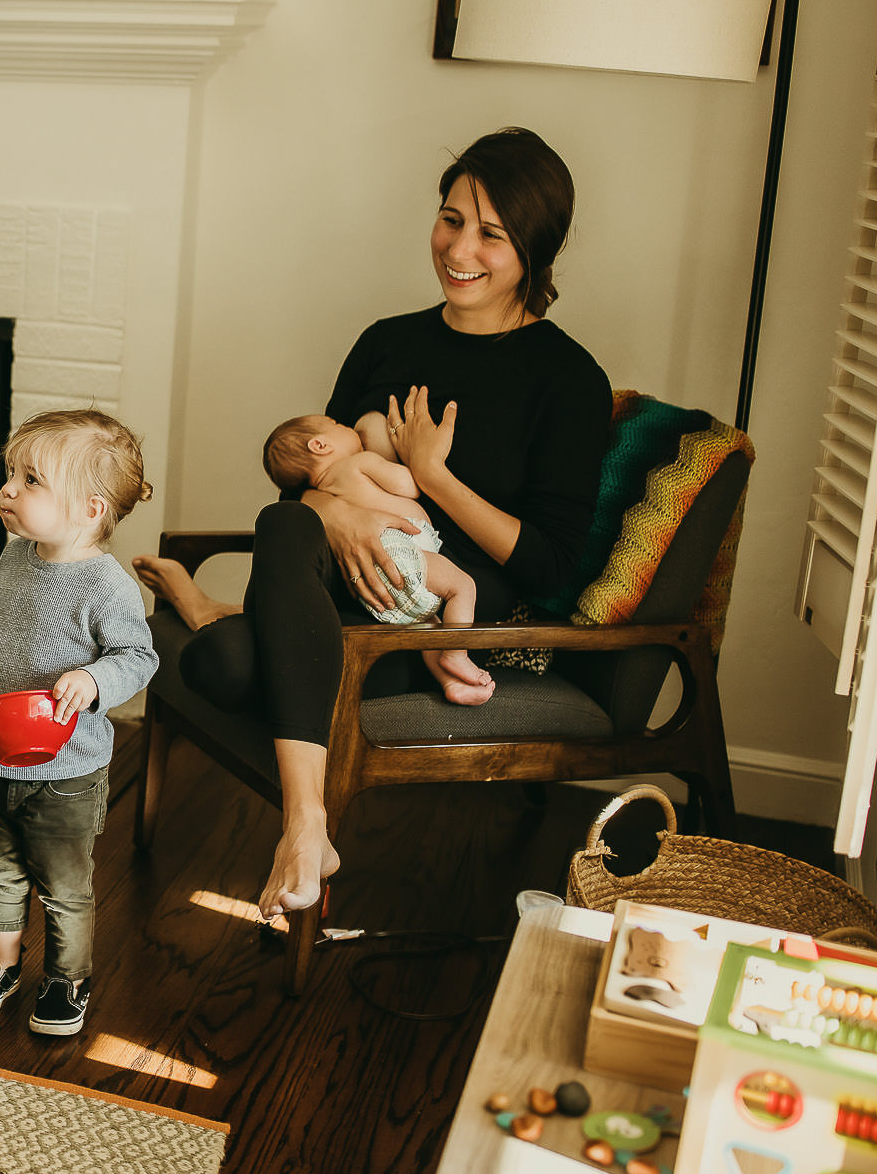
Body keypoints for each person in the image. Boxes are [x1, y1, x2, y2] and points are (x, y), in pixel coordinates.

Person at [133, 127, 611, 922]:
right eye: (451, 218)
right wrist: (336, 515)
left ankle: (290, 798)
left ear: (536, 249)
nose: (460, 247)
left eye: (491, 234)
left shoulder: (567, 379)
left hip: (442, 610)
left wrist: (433, 480)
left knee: (223, 660)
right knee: (269, 552)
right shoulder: (388, 342)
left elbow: (551, 564)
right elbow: (309, 488)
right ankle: (310, 820)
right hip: (336, 585)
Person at [0, 409, 159, 1036]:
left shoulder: (105, 585)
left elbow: (139, 658)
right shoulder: (14, 555)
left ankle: (67, 980)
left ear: (89, 510)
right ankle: (0, 966)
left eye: (31, 480)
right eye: (11, 474)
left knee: (63, 886)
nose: (7, 490)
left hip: (70, 769)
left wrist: (92, 682)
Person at [261, 412, 493, 706]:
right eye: (339, 425)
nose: (348, 429)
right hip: (398, 555)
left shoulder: (325, 492)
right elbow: (409, 484)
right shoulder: (358, 463)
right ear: (320, 445)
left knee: (426, 626)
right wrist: (412, 457)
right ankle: (457, 655)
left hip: (372, 580)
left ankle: (451, 684)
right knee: (463, 586)